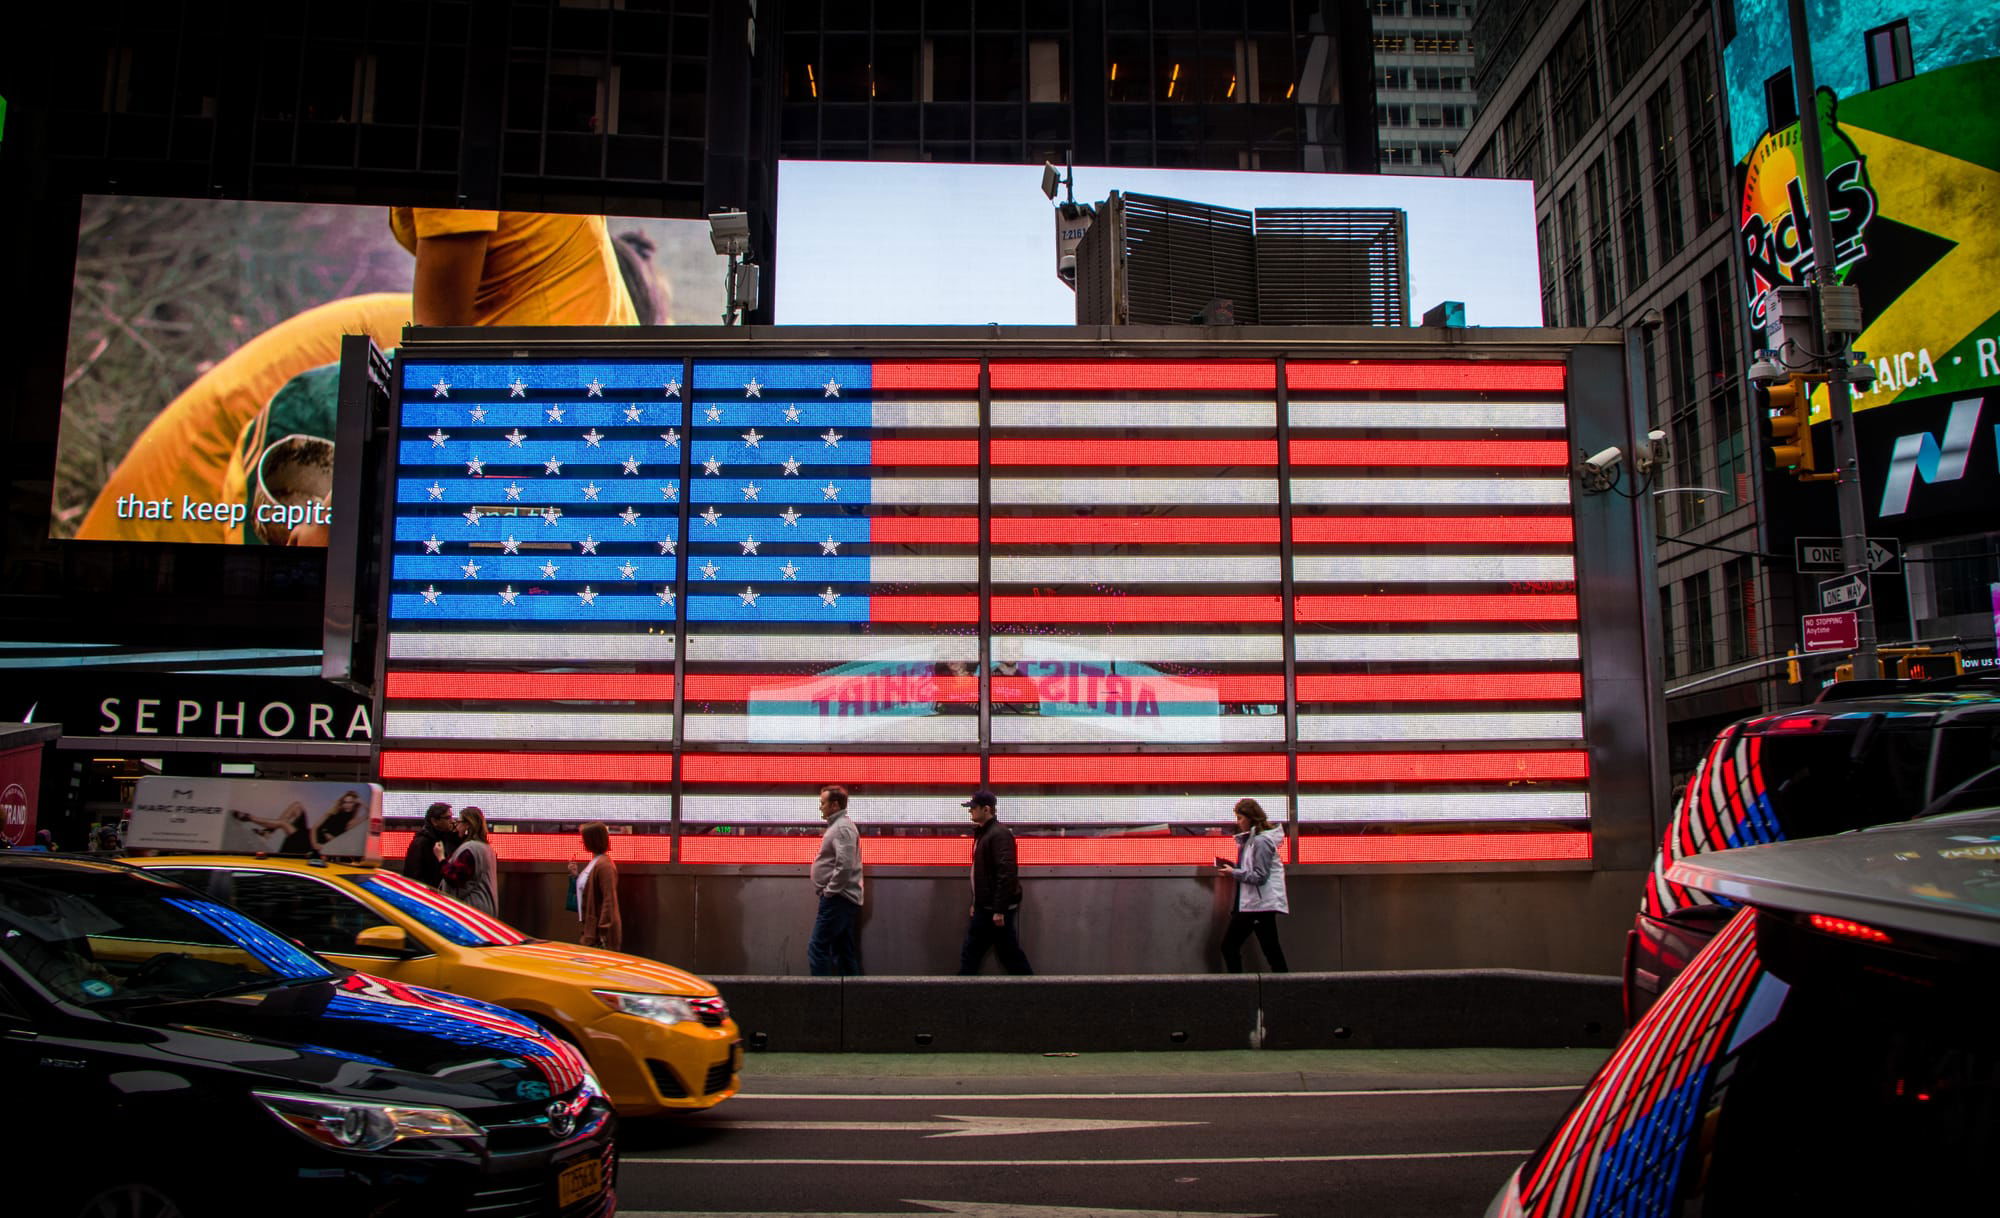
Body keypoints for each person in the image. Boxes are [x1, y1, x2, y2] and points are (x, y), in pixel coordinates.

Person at [958, 790, 1033, 976]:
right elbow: (984, 874)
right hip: (989, 906)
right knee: (1007, 952)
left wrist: (999, 909)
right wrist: (977, 902)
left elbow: (1005, 873)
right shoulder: (986, 833)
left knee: (973, 952)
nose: (970, 812)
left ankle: (958, 993)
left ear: (986, 809)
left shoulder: (998, 835)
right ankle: (1032, 990)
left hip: (994, 908)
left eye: (973, 808)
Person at [1215, 797, 1290, 973]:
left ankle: (1240, 987)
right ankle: (1286, 987)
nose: (1238, 822)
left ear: (1250, 818)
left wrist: (1233, 872)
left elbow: (1259, 876)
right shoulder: (1254, 840)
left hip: (1257, 905)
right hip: (1257, 905)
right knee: (1271, 951)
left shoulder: (1261, 842)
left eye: (1240, 818)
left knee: (1230, 946)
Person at [807, 784, 864, 976]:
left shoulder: (842, 829)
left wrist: (830, 891)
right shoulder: (839, 827)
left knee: (817, 948)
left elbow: (845, 866)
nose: (820, 807)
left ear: (835, 805)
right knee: (843, 951)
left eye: (823, 803)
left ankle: (823, 998)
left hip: (838, 899)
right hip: (841, 898)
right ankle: (850, 998)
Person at [569, 822, 621, 950]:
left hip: (599, 934)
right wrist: (575, 876)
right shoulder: (596, 861)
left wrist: (603, 930)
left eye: (584, 839)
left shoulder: (604, 865)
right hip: (591, 930)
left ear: (592, 840)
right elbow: (587, 890)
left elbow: (609, 899)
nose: (582, 842)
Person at [442, 807, 499, 915]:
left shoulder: (470, 849)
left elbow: (455, 878)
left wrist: (441, 859)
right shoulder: (486, 848)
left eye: (459, 822)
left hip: (471, 908)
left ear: (468, 824)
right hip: (485, 905)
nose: (456, 826)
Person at [402, 802, 459, 889]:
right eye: (448, 818)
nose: (452, 821)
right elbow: (413, 874)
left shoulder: (448, 838)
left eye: (452, 817)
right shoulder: (422, 842)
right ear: (434, 821)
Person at [231, 801, 312, 855]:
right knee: (297, 806)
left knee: (283, 824)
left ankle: (250, 818)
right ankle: (269, 831)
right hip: (307, 834)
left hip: (304, 844)